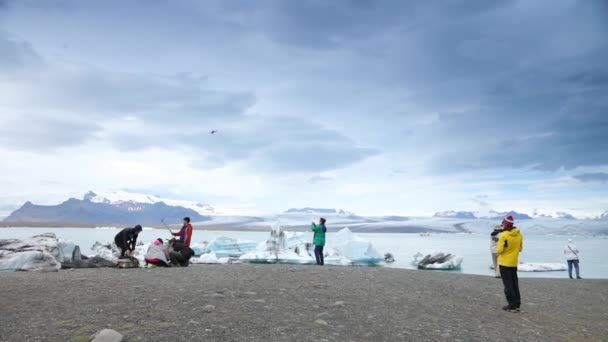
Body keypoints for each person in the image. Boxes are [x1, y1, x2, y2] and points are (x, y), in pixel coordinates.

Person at [496, 215, 524, 312]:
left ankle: (511, 305)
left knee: (508, 285)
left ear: (505, 224)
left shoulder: (504, 235)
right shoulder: (520, 234)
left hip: (504, 262)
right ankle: (517, 303)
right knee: (514, 283)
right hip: (513, 262)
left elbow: (499, 250)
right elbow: (520, 249)